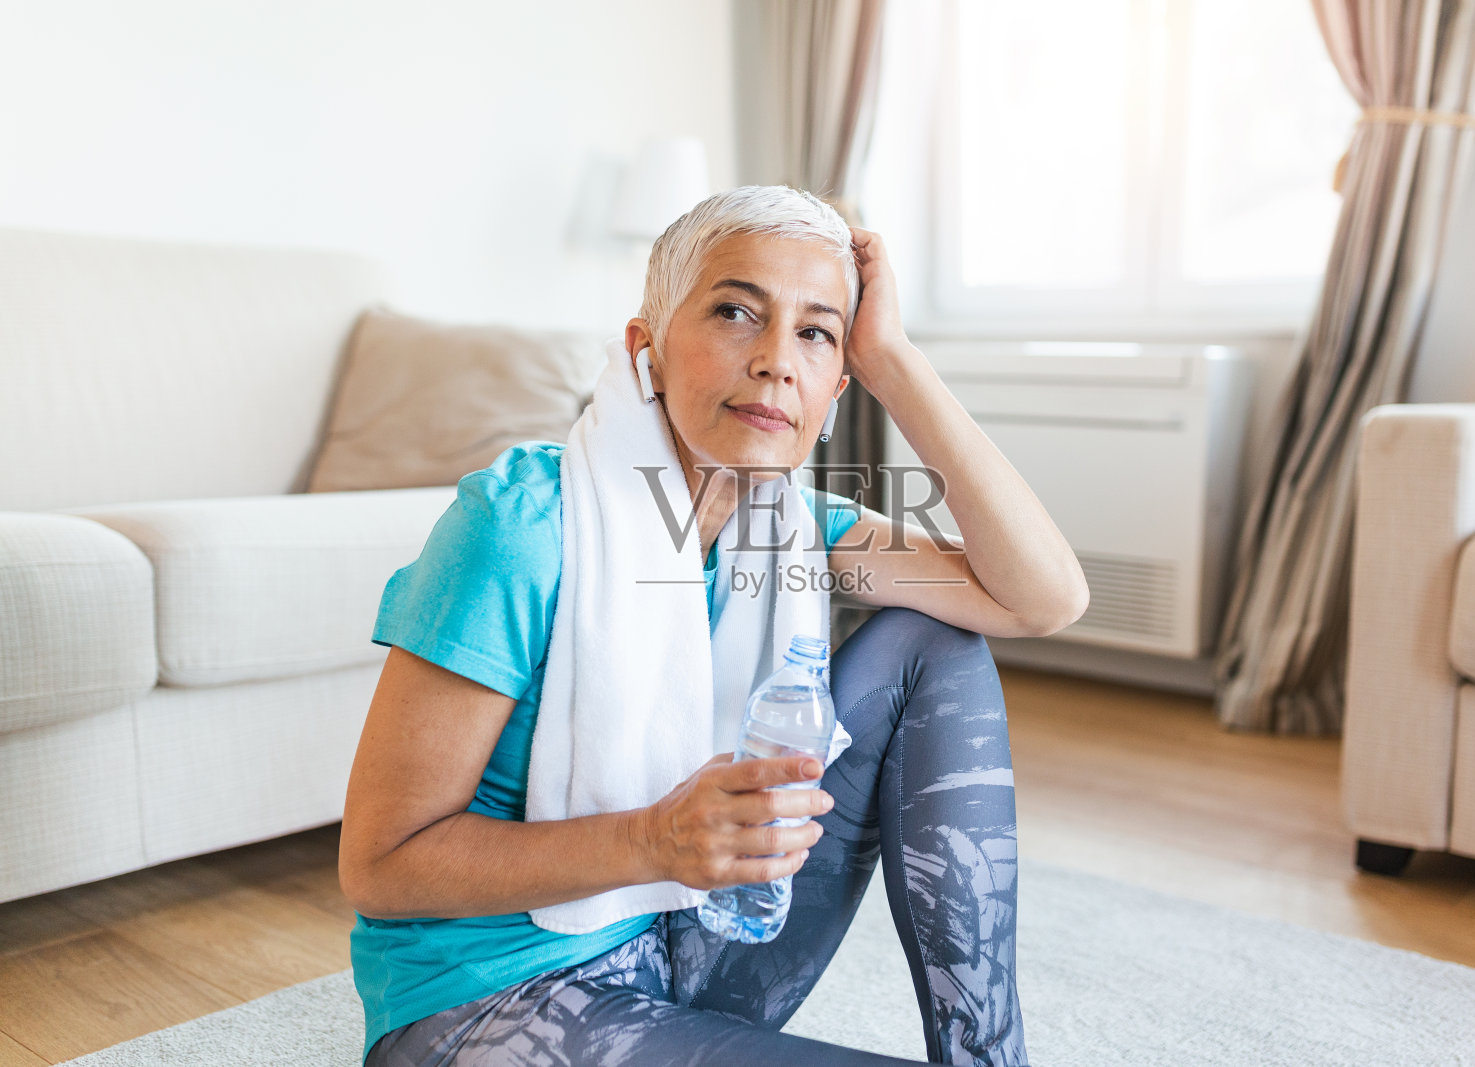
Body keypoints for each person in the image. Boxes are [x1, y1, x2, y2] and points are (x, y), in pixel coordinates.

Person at [339, 185, 1089, 1066]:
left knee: (933, 642)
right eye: (737, 311)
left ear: (838, 383)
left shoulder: (797, 524)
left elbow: (1041, 597)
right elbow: (381, 866)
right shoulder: (521, 524)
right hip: (491, 1001)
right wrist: (652, 838)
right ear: (645, 351)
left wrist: (896, 362)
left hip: (693, 938)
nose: (778, 360)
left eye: (817, 333)